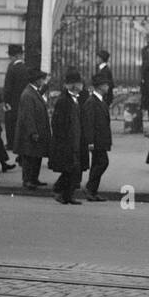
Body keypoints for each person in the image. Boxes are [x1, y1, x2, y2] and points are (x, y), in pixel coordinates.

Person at [49, 69, 87, 205]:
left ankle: (67, 195)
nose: (81, 86)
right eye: (78, 83)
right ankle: (59, 190)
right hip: (67, 141)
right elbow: (57, 123)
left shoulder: (75, 99)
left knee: (74, 169)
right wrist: (64, 140)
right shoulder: (64, 101)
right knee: (70, 168)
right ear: (73, 86)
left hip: (75, 139)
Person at [14, 68, 51, 188]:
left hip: (37, 130)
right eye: (41, 79)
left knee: (36, 156)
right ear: (36, 81)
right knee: (29, 156)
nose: (43, 81)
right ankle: (28, 179)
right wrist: (33, 132)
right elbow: (28, 115)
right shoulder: (28, 94)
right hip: (30, 133)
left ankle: (34, 178)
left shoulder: (33, 92)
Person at [82, 78, 112, 200]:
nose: (108, 87)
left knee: (97, 164)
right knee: (102, 162)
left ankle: (93, 191)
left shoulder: (100, 101)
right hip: (96, 140)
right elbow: (89, 123)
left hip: (101, 139)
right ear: (100, 87)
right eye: (106, 84)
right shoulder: (91, 102)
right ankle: (90, 187)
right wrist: (90, 141)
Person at [2, 44, 28, 149]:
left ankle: (11, 143)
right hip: (23, 100)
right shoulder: (26, 68)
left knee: (10, 123)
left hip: (12, 102)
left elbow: (8, 87)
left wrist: (6, 101)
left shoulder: (11, 68)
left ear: (14, 56)